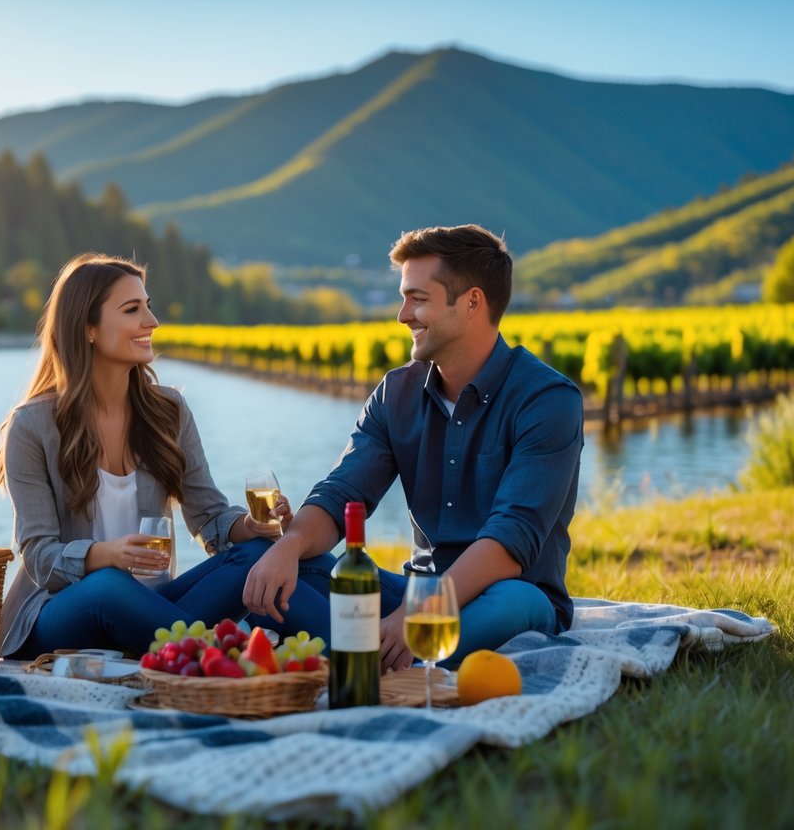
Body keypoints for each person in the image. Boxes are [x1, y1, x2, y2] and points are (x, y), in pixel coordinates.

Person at [242, 224, 583, 670]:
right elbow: (344, 492)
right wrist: (289, 546)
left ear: (472, 303)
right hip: (415, 593)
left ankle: (352, 656)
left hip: (505, 595)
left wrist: (417, 617)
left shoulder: (546, 400)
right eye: (404, 297)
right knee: (288, 567)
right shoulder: (395, 393)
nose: (403, 315)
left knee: (515, 601)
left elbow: (510, 541)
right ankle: (384, 657)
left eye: (418, 299)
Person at [0, 253, 332, 659]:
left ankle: (366, 655)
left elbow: (210, 519)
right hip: (59, 615)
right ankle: (222, 658)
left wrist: (252, 526)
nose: (151, 321)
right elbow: (39, 558)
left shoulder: (168, 412)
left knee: (263, 557)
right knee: (109, 584)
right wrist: (107, 554)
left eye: (148, 306)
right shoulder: (32, 426)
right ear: (88, 329)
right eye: (132, 309)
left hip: (155, 611)